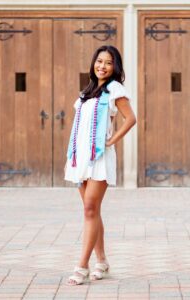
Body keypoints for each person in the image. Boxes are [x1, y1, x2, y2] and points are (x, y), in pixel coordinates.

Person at [64, 45, 136, 285]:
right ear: (93, 63)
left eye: (108, 62)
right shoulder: (86, 92)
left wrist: (111, 141)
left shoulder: (114, 89)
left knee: (90, 209)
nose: (102, 66)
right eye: (99, 61)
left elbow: (131, 118)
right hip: (80, 157)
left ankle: (82, 266)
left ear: (115, 67)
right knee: (92, 211)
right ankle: (102, 262)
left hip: (99, 158)